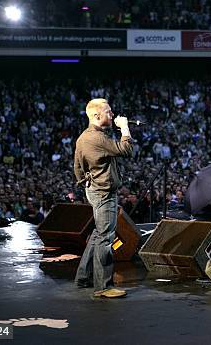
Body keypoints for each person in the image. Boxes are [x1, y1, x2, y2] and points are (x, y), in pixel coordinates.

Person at [73, 98, 133, 298]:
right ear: (97, 116)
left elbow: (77, 169)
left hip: (96, 190)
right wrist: (124, 128)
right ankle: (103, 286)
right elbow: (126, 150)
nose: (112, 115)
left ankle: (83, 277)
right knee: (105, 238)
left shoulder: (83, 137)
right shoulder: (97, 139)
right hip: (104, 192)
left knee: (99, 234)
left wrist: (88, 184)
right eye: (108, 112)